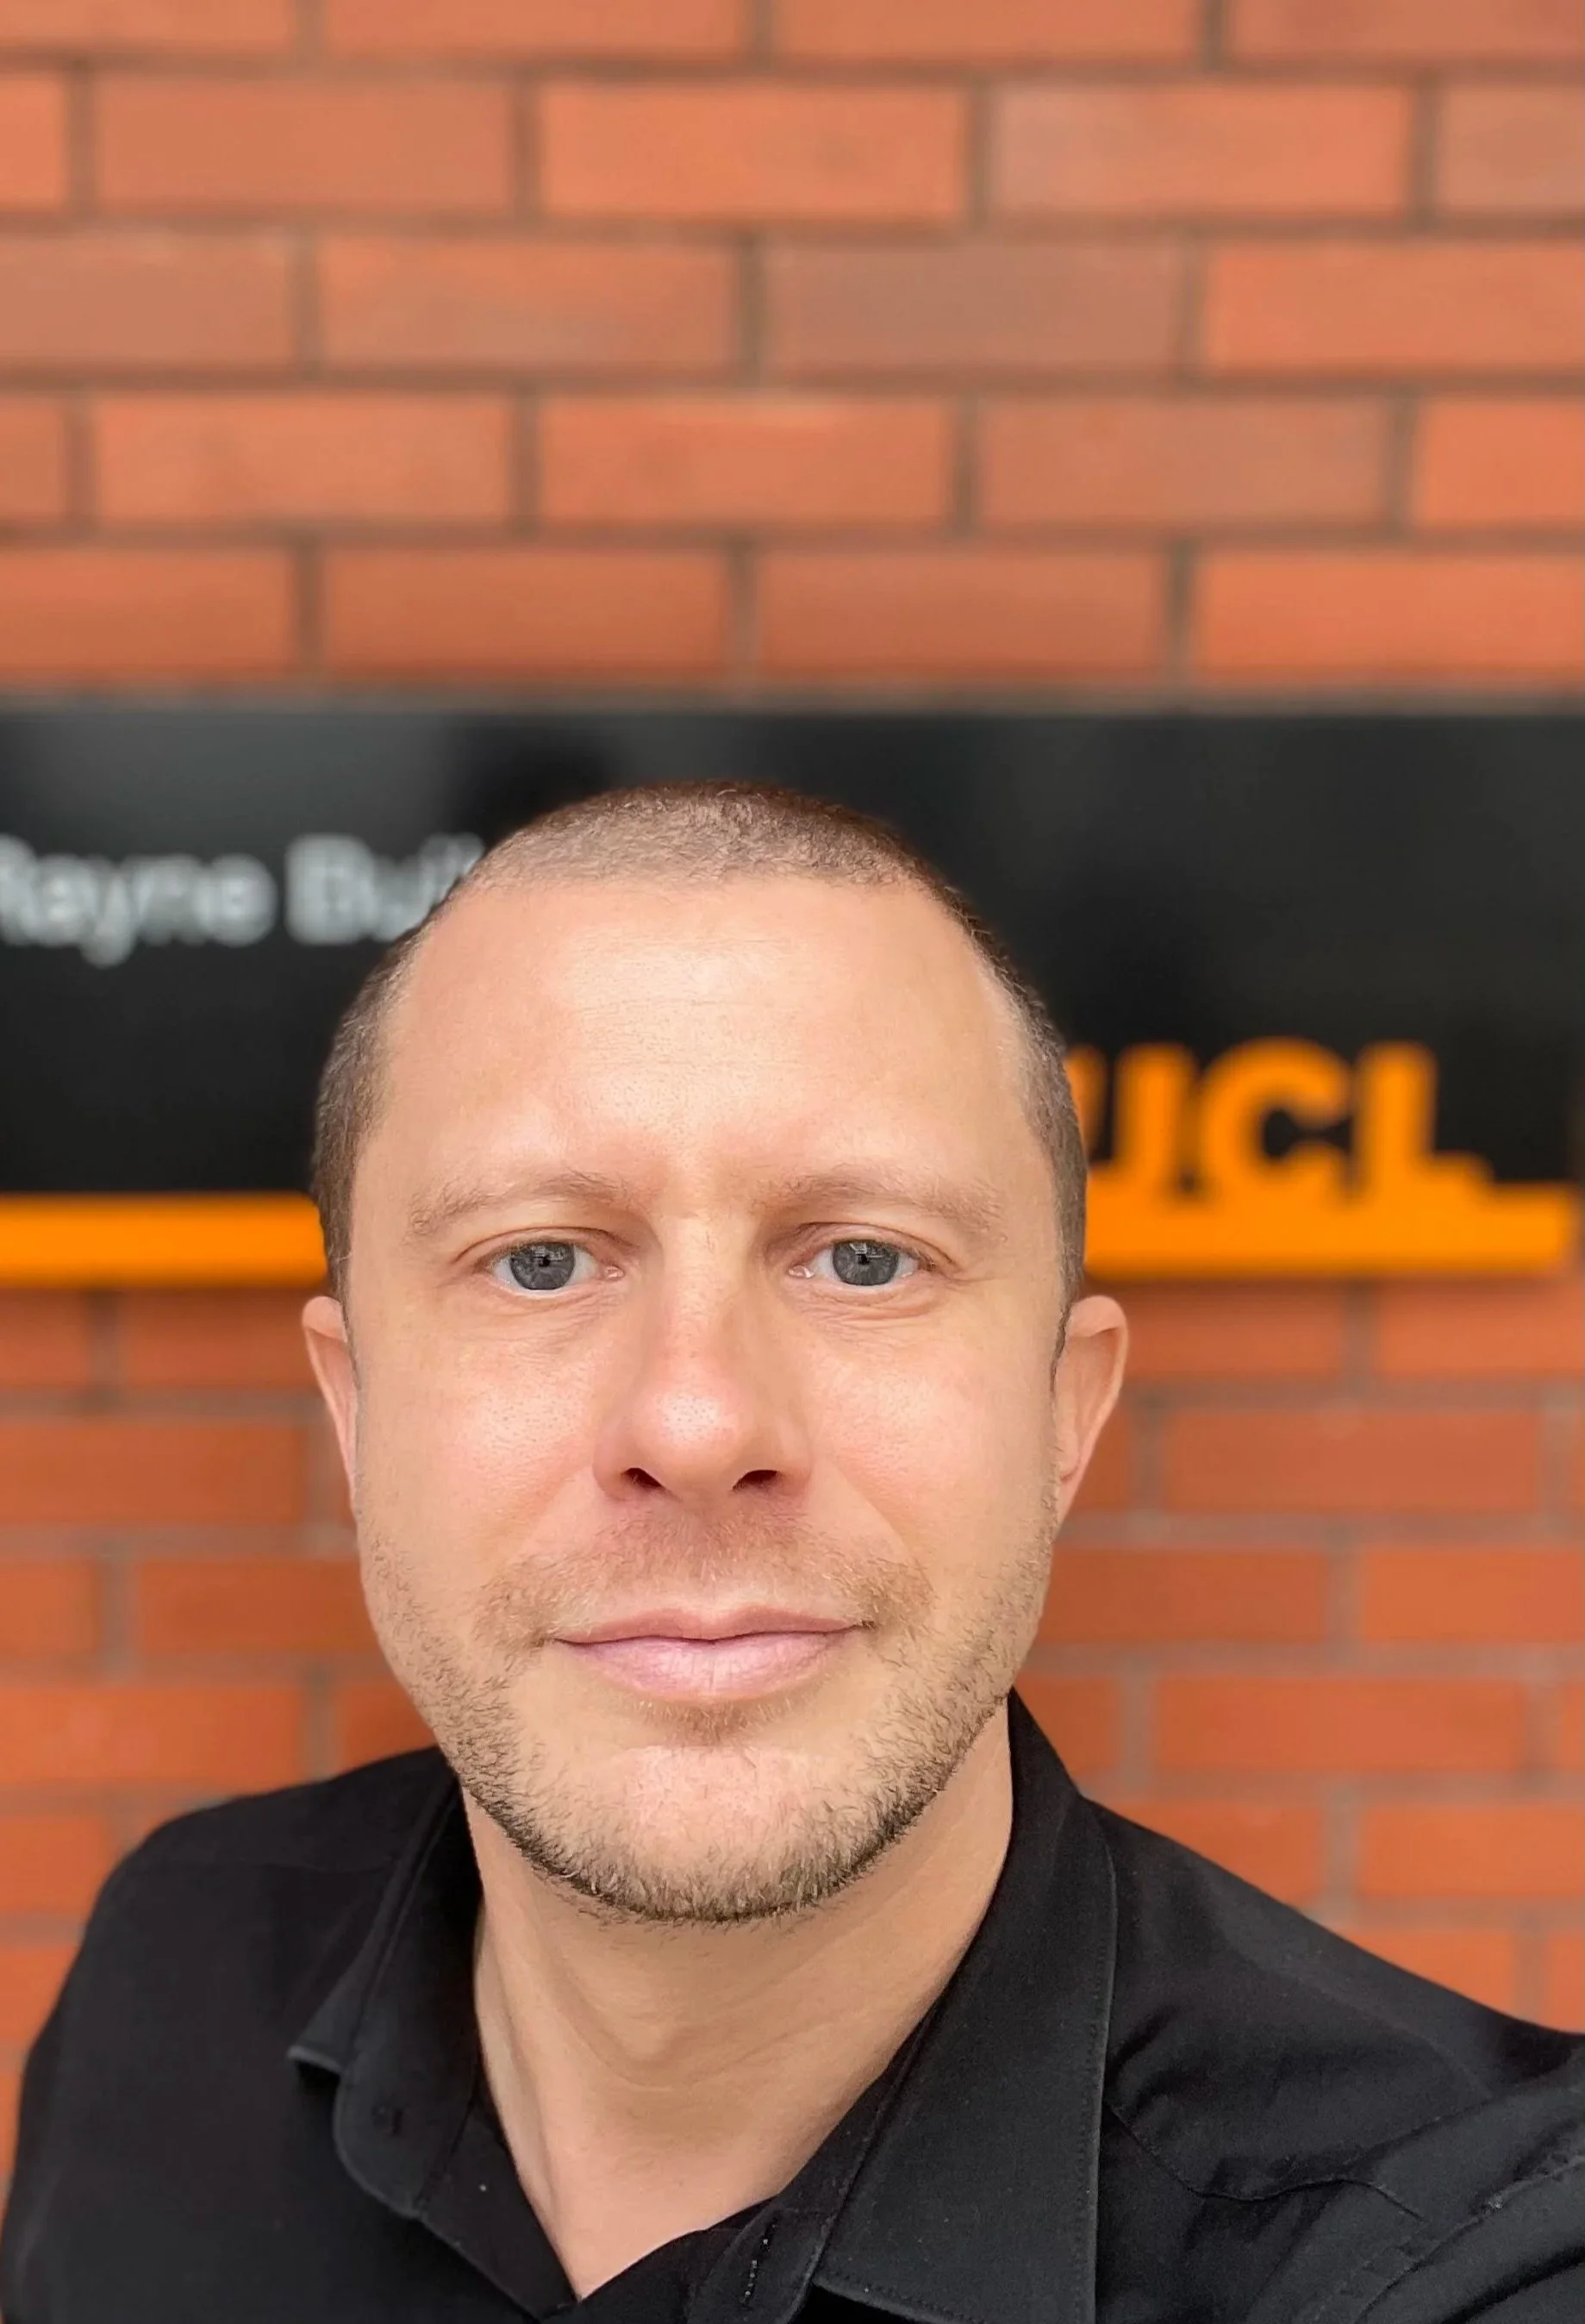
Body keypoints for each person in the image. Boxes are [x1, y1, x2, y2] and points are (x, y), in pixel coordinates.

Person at [3, 782, 1582, 2324]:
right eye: (538, 1260)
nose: (695, 1422)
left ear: (1062, 1414)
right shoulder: (175, 1977)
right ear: (354, 1418)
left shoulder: (1457, 2247)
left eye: (864, 1256)